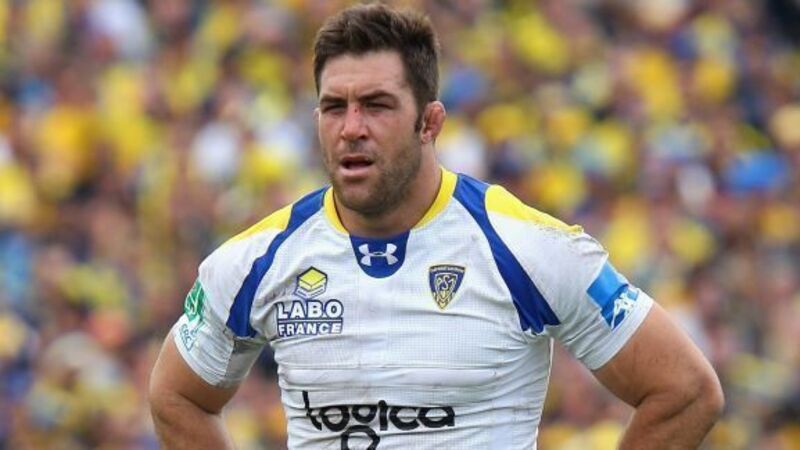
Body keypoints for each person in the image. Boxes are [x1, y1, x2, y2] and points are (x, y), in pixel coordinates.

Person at [148, 3, 724, 449]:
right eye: (334, 107)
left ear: (430, 123)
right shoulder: (256, 260)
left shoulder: (526, 248)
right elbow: (176, 396)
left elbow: (685, 390)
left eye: (376, 105)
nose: (351, 128)